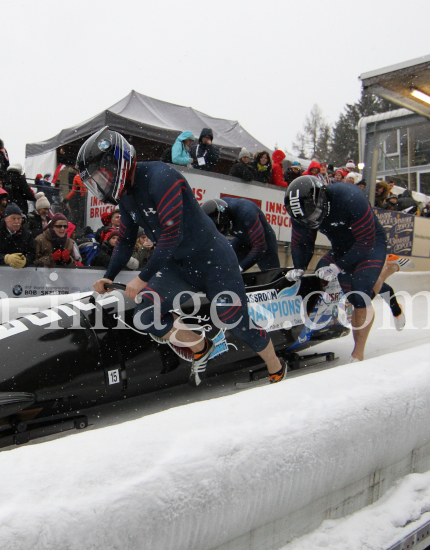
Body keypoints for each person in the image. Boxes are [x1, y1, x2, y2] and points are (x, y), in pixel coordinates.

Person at [79, 127, 284, 385]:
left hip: (214, 261)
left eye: (102, 176)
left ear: (117, 162)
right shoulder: (127, 198)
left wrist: (142, 278)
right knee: (146, 314)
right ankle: (202, 347)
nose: (102, 184)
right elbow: (126, 241)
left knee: (235, 321)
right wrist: (108, 276)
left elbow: (171, 235)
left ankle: (276, 366)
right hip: (178, 265)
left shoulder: (161, 177)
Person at [283, 175, 395, 362]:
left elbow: (366, 242)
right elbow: (302, 242)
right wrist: (299, 268)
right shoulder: (299, 212)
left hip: (370, 245)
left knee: (360, 294)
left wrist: (338, 266)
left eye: (313, 215)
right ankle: (381, 277)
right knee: (321, 276)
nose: (311, 221)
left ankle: (358, 353)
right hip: (341, 248)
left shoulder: (351, 197)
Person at [202, 197, 279, 271]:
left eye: (221, 228)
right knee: (223, 261)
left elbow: (260, 246)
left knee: (272, 274)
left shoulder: (247, 212)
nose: (220, 232)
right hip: (242, 240)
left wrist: (241, 268)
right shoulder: (220, 206)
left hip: (264, 242)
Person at [0, 204, 34, 268]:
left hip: (20, 272)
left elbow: (32, 254)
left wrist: (25, 261)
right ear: (5, 219)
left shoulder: (27, 234)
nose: (17, 221)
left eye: (19, 218)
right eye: (13, 218)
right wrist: (5, 258)